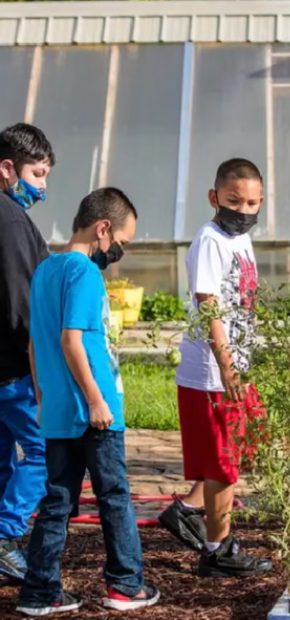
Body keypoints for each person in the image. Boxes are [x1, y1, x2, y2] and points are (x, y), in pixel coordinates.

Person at [18, 188, 160, 616]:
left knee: (57, 501)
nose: (119, 251)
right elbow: (70, 340)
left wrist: (44, 398)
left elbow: (33, 346)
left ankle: (40, 592)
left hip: (60, 412)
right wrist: (97, 401)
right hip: (94, 414)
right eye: (122, 241)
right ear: (103, 229)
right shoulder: (83, 274)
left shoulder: (45, 271)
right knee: (114, 495)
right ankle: (125, 584)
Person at [160, 158, 272, 578]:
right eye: (233, 201)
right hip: (211, 371)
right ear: (214, 198)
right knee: (224, 463)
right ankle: (216, 549)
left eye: (252, 204)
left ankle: (188, 509)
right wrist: (226, 366)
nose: (243, 212)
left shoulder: (240, 240)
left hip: (235, 365)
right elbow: (210, 306)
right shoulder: (210, 240)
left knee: (241, 447)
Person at [0, 123, 54, 580]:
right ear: (7, 169)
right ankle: (5, 535)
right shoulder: (13, 221)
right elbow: (22, 308)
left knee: (2, 458)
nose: (42, 186)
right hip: (14, 370)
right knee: (43, 452)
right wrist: (41, 371)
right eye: (37, 175)